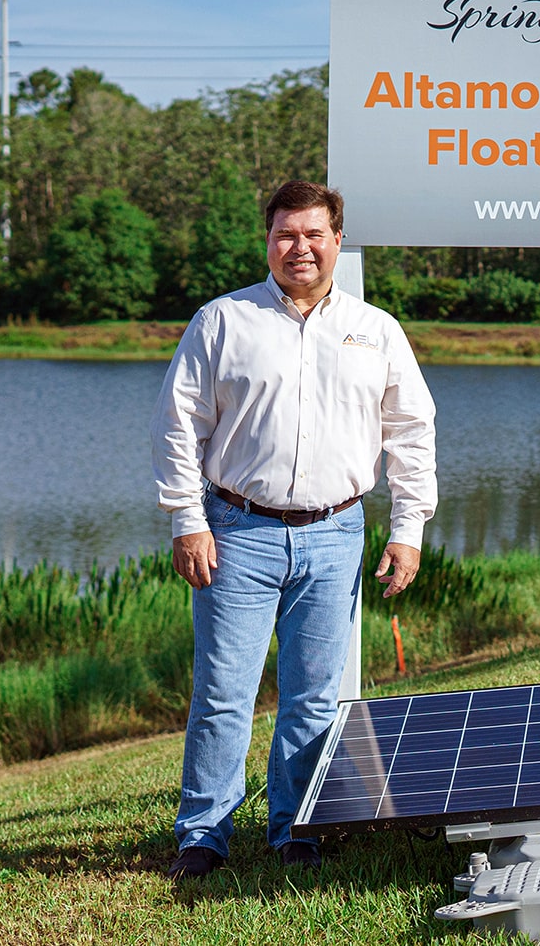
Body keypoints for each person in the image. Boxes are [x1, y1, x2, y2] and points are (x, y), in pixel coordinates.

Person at [151, 180, 437, 878]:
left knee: (313, 694)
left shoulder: (377, 330)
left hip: (337, 533)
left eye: (314, 234)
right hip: (236, 530)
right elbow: (177, 426)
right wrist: (188, 521)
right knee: (224, 693)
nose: (299, 247)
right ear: (268, 241)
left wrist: (409, 530)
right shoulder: (222, 321)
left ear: (338, 240)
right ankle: (203, 837)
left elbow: (411, 432)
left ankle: (297, 826)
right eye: (286, 234)